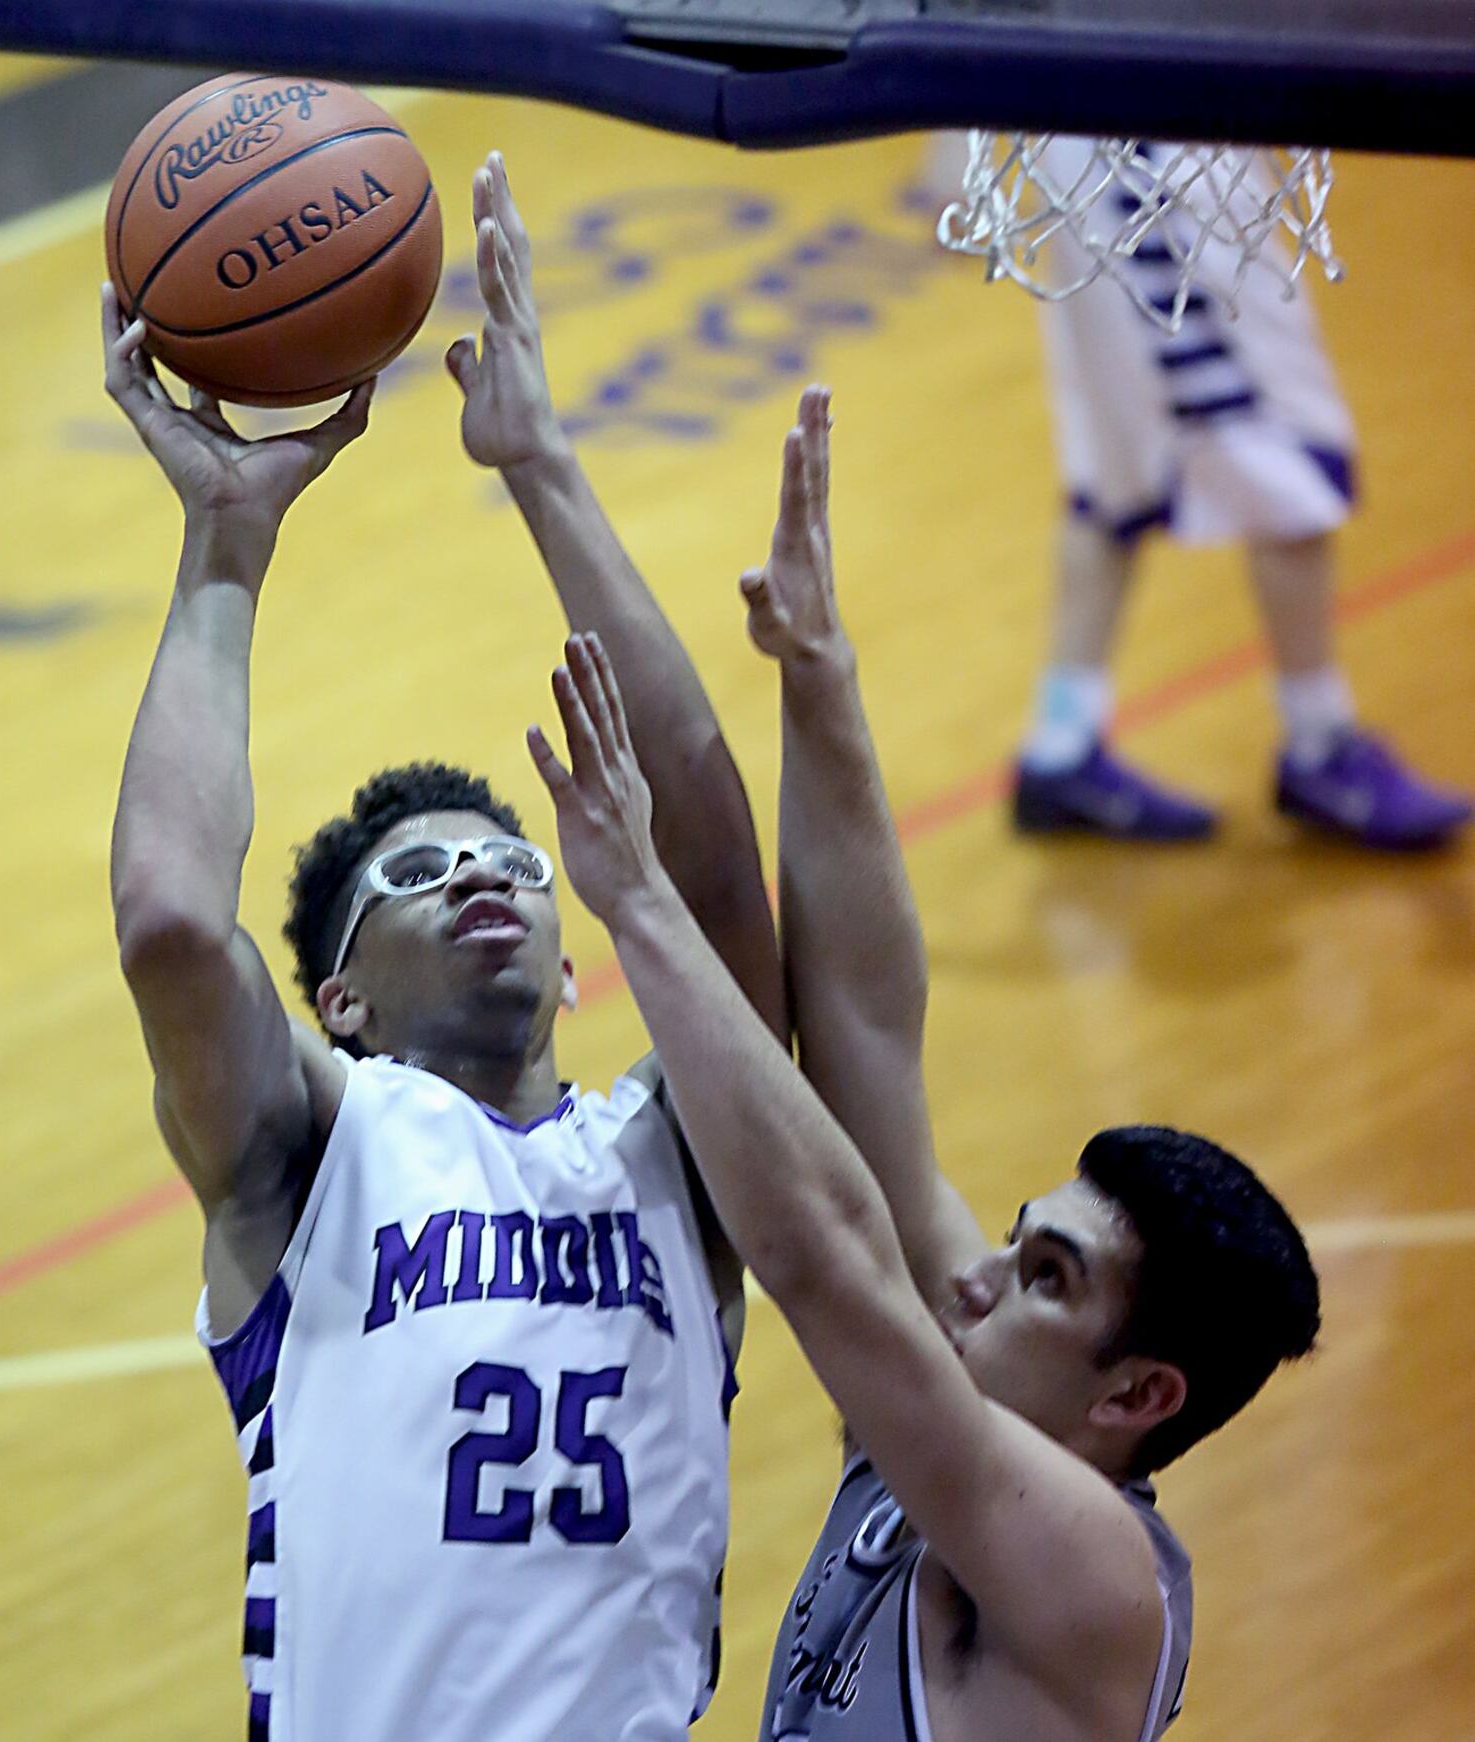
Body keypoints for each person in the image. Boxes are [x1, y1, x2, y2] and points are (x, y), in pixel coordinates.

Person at [104, 151, 783, 1742]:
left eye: (508, 858)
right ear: (338, 999)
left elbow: (720, 870)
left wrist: (542, 463)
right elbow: (169, 923)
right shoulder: (316, 1154)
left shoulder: (676, 1157)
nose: (482, 872)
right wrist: (223, 548)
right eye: (420, 876)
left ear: (570, 960)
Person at [526, 388, 1321, 1742]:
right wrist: (819, 676)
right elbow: (866, 1041)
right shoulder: (982, 1380)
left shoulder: (1090, 1577)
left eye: (1045, 1277)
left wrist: (642, 906)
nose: (975, 1269)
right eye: (1025, 1240)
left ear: (1134, 1395)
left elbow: (822, 1251)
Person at [995, 137, 1473, 847]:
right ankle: (1320, 747)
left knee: (1114, 476)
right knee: (1287, 460)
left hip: (1104, 150)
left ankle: (1060, 746)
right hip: (1140, 158)